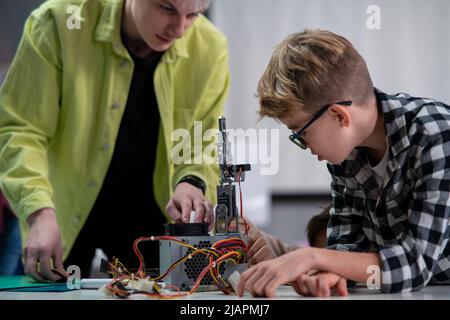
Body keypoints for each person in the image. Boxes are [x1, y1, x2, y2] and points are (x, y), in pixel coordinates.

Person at [0, 0, 230, 281]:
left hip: (149, 218)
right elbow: (22, 129)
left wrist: (191, 182)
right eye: (167, 9)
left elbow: (201, 141)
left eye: (193, 14)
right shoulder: (59, 23)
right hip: (60, 213)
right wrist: (38, 211)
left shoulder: (210, 48)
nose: (180, 29)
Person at [237, 29, 450, 298]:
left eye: (301, 134)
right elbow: (345, 246)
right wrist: (329, 274)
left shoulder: (435, 134)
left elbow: (415, 264)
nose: (305, 146)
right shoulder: (346, 155)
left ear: (339, 115)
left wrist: (313, 258)